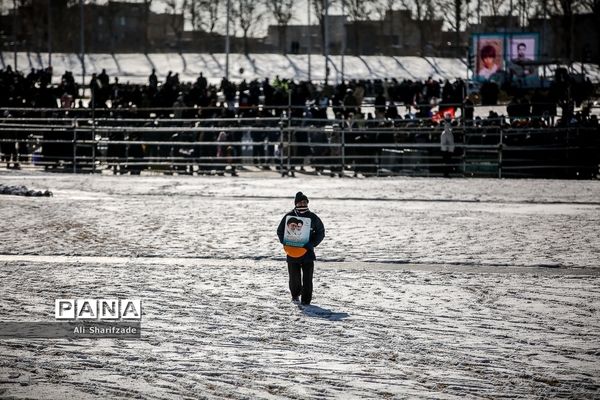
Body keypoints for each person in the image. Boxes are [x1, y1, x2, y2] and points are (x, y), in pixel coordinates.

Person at [277, 192, 325, 306]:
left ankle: (306, 300)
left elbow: (321, 232)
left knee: (308, 279)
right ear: (296, 203)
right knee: (294, 278)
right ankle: (295, 294)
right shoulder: (289, 216)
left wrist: (312, 244)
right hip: (292, 252)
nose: (302, 204)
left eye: (304, 202)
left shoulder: (313, 217)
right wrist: (286, 242)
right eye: (300, 202)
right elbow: (280, 231)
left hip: (307, 253)